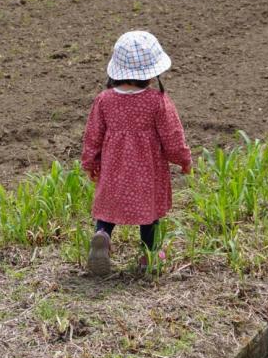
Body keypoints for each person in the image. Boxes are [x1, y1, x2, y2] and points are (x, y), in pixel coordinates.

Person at [81, 31, 192, 276]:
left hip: (114, 168)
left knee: (110, 204)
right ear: (152, 71)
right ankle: (149, 255)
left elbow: (93, 135)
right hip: (147, 171)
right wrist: (183, 159)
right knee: (149, 211)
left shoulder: (104, 100)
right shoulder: (157, 101)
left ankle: (102, 235)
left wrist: (91, 162)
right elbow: (172, 136)